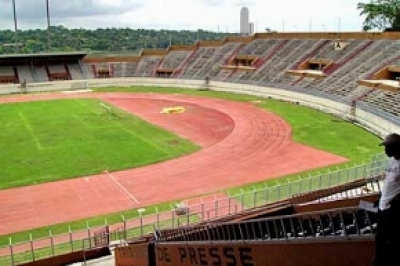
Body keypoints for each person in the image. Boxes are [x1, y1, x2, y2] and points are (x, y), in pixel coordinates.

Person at [374, 133, 400, 266]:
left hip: (391, 211)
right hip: (382, 207)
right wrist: (380, 198)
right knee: (379, 240)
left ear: (395, 147)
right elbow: (389, 182)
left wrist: (394, 203)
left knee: (388, 242)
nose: (385, 150)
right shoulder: (391, 161)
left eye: (387, 147)